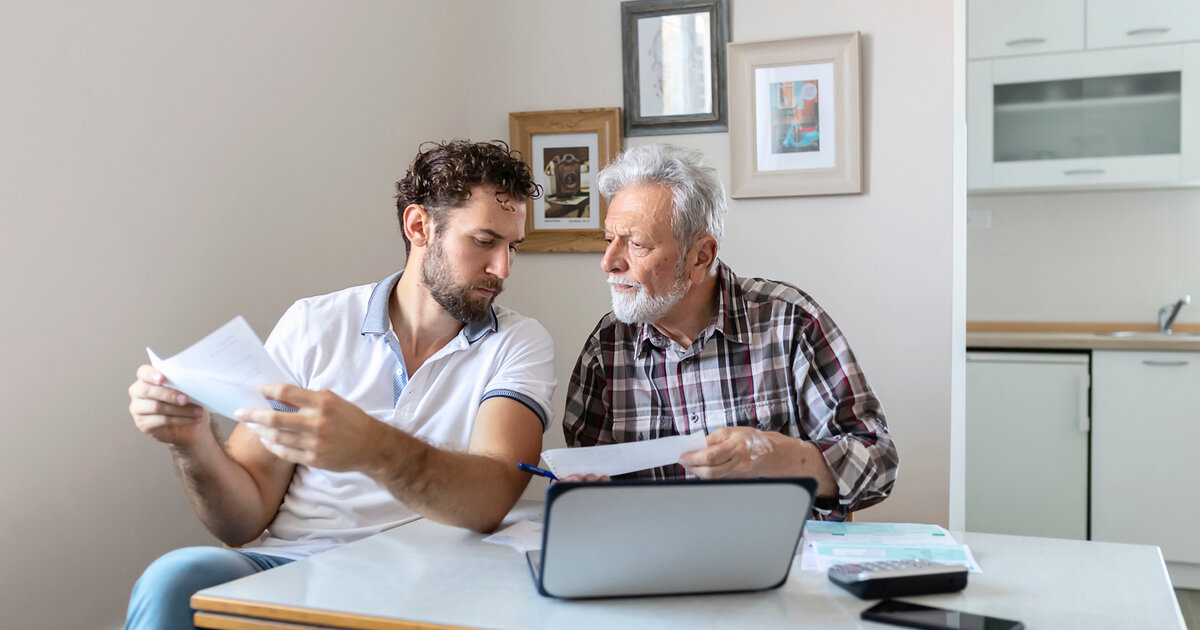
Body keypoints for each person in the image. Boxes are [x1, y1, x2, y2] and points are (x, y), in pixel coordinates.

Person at [125, 140, 556, 629]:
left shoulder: (519, 343)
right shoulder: (314, 323)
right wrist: (193, 444)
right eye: (484, 242)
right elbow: (242, 522)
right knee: (174, 576)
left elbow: (492, 496)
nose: (502, 268)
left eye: (511, 247)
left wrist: (372, 447)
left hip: (432, 583)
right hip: (293, 566)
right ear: (419, 227)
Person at [562, 143, 897, 520]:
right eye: (609, 240)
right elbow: (585, 483)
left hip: (782, 565)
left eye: (636, 244)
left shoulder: (789, 322)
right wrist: (587, 495)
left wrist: (780, 456)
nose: (608, 263)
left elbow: (880, 461)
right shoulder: (606, 348)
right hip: (655, 567)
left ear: (701, 256)